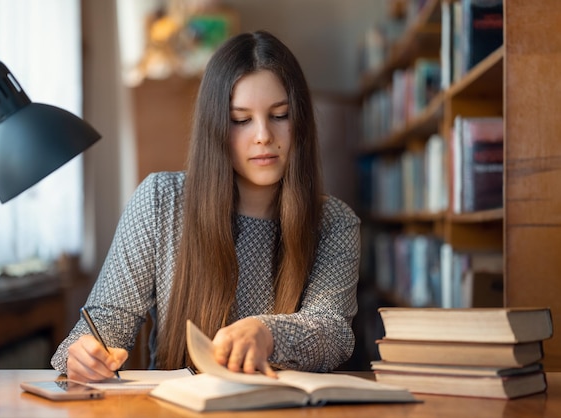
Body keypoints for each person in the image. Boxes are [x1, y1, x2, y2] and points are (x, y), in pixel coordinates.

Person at [51, 30, 361, 382]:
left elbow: (333, 331)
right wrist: (84, 353)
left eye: (280, 115)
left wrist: (267, 333)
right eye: (240, 120)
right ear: (215, 127)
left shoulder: (333, 221)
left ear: (300, 122)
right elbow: (106, 321)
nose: (263, 135)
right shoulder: (161, 200)